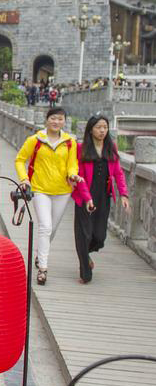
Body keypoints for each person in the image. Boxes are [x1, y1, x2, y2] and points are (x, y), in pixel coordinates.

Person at [15, 107, 80, 285]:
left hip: (63, 191)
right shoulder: (35, 140)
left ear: (64, 122)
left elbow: (72, 164)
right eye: (53, 118)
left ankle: (40, 254)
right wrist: (24, 179)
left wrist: (73, 174)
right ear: (46, 120)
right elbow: (20, 159)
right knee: (45, 226)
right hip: (40, 189)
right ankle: (43, 268)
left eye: (60, 119)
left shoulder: (70, 142)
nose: (56, 122)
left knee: (52, 229)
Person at [72, 116, 130, 284]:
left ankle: (86, 254)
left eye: (105, 127)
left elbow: (118, 173)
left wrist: (124, 194)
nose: (102, 130)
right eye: (99, 127)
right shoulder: (81, 148)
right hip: (84, 196)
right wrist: (87, 198)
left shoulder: (111, 148)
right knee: (84, 234)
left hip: (103, 196)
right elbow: (80, 176)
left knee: (99, 236)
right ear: (91, 129)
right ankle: (85, 272)